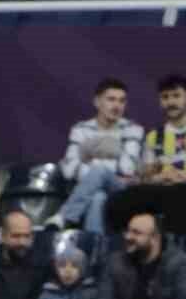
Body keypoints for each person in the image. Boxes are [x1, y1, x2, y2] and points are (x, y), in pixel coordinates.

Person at [52, 77, 143, 235]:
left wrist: (90, 154)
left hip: (121, 190)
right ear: (97, 102)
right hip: (92, 189)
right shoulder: (80, 129)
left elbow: (128, 169)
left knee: (99, 171)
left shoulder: (133, 129)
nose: (117, 106)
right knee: (97, 197)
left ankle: (64, 216)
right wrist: (112, 152)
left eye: (122, 101)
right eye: (111, 99)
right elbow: (69, 169)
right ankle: (95, 246)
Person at [107, 73, 186, 236]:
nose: (171, 102)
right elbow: (146, 177)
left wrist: (183, 176)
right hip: (164, 191)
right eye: (165, 97)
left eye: (176, 96)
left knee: (180, 196)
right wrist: (160, 177)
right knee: (120, 199)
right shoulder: (153, 137)